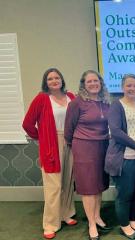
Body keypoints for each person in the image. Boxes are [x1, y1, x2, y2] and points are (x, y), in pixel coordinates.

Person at [22, 68, 77, 239]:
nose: (54, 81)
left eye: (57, 77)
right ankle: (50, 223)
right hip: (52, 144)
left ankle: (66, 213)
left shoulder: (71, 97)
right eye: (50, 78)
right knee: (54, 186)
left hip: (72, 142)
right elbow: (27, 123)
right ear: (46, 82)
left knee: (68, 181)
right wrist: (42, 137)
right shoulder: (42, 99)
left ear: (62, 80)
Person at [64, 70, 112, 240]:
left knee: (98, 184)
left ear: (101, 83)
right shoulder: (77, 103)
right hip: (84, 148)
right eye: (89, 81)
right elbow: (68, 131)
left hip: (103, 146)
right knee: (88, 187)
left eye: (96, 81)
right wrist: (77, 145)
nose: (93, 84)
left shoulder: (106, 102)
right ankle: (91, 223)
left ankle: (97, 216)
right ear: (83, 84)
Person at [104, 74, 135, 239]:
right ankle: (124, 225)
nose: (132, 88)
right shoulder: (117, 106)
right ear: (122, 87)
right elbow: (116, 132)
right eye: (129, 85)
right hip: (125, 158)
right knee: (125, 193)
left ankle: (132, 220)